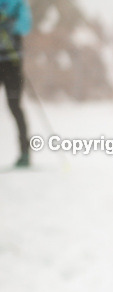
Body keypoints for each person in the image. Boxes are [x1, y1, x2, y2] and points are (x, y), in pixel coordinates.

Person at [0, 0, 31, 168]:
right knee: (15, 107)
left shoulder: (18, 4)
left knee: (14, 106)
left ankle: (25, 153)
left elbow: (26, 26)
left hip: (12, 62)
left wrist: (9, 23)